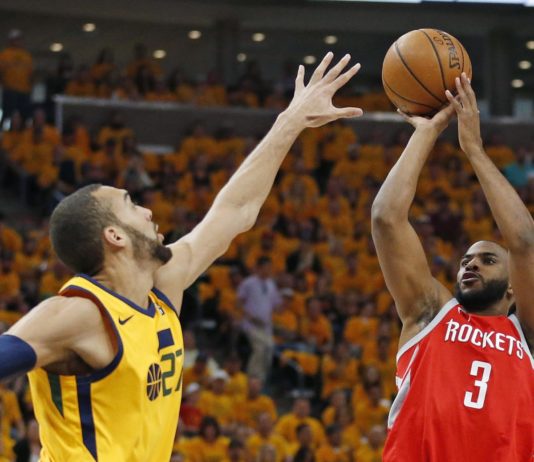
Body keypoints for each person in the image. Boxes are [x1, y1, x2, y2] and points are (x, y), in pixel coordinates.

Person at [0, 52, 363, 461]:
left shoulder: (162, 286)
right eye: (131, 204)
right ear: (114, 236)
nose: (147, 210)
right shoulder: (78, 312)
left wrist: (291, 122)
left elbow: (236, 210)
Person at [371, 75, 534, 461]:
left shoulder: (527, 335)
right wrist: (426, 133)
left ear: (513, 287)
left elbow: (524, 241)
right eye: (466, 260)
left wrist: (474, 150)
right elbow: (386, 217)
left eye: (488, 260)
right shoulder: (430, 313)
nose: (471, 263)